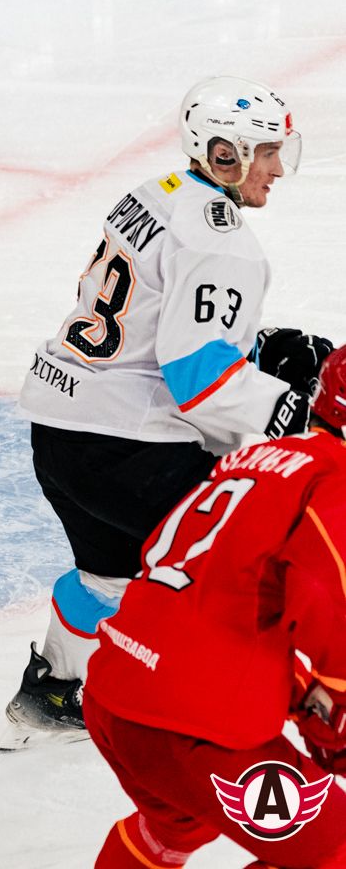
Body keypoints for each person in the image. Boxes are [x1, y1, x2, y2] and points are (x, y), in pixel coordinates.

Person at [2, 76, 335, 751]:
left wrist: (254, 349)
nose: (277, 169)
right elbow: (198, 383)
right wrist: (300, 413)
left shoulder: (155, 194)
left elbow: (158, 325)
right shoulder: (222, 242)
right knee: (264, 564)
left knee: (106, 574)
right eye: (267, 153)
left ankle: (52, 692)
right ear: (223, 153)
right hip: (132, 451)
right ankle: (271, 723)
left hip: (61, 436)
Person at [82, 348, 346, 868]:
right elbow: (323, 593)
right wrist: (336, 700)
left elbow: (208, 587)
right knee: (334, 848)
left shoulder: (252, 460)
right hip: (192, 729)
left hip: (117, 692)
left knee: (176, 825)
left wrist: (303, 697)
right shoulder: (336, 478)